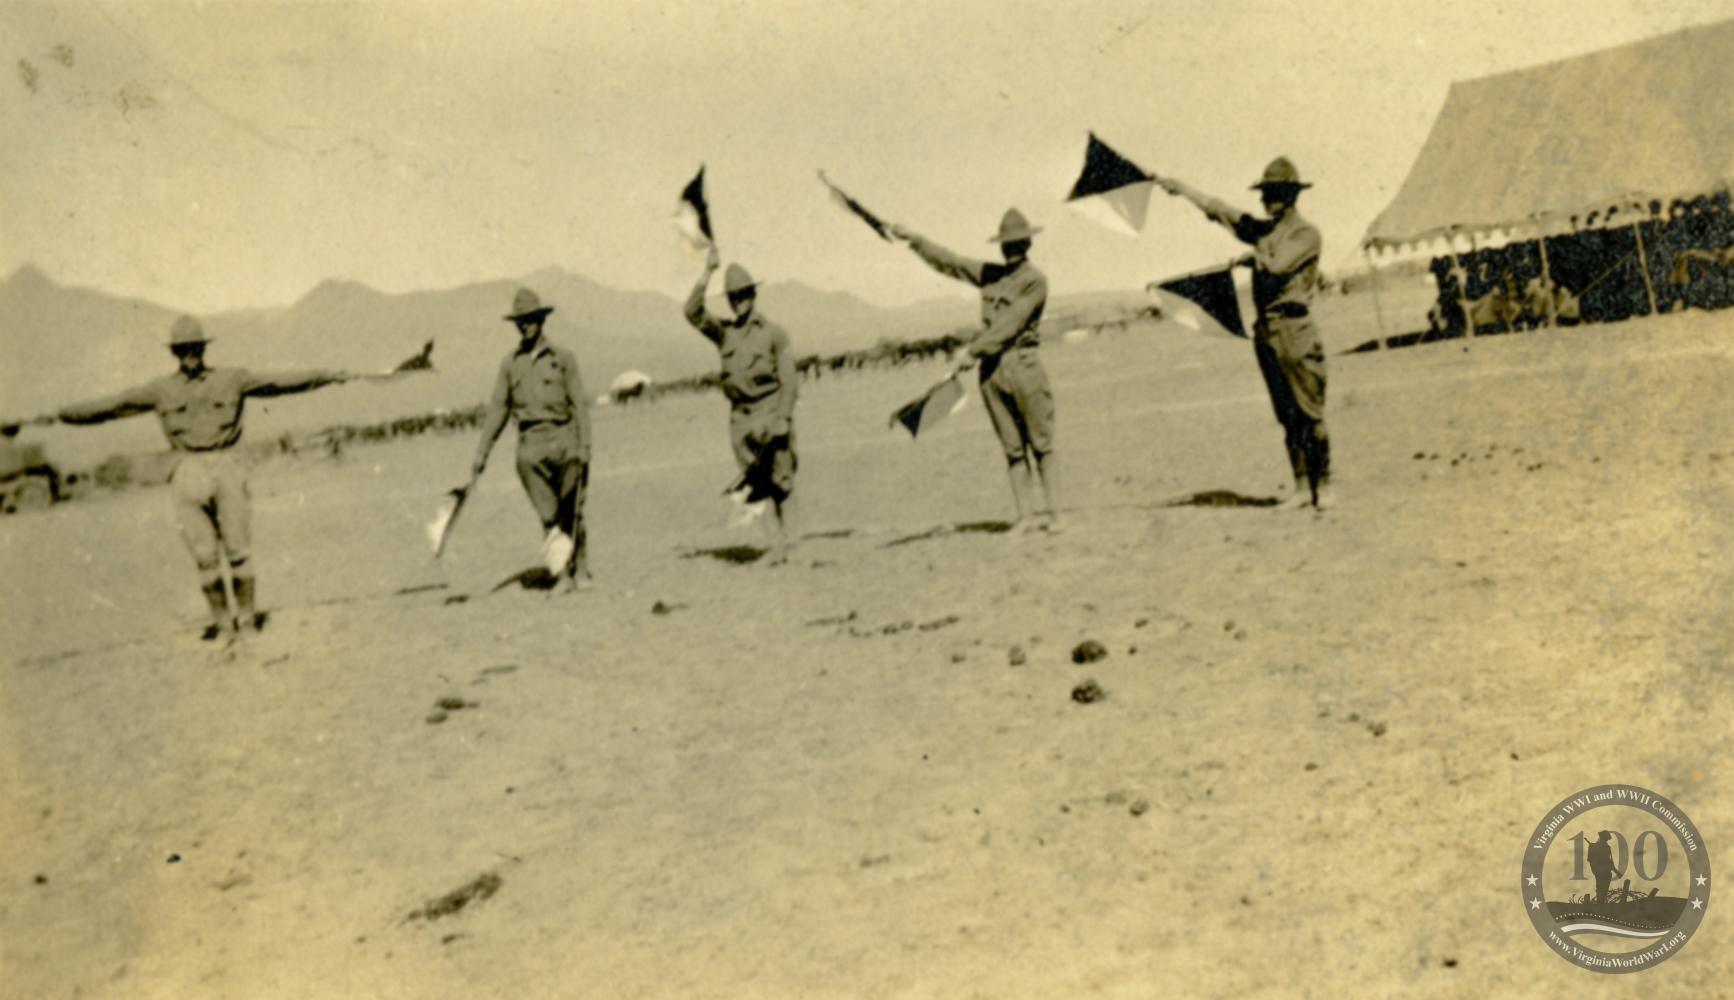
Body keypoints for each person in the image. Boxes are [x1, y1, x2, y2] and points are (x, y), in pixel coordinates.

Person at [15, 315, 354, 641]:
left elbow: (281, 382)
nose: (190, 354)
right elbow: (113, 405)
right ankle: (224, 628)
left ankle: (247, 623)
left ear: (204, 348)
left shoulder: (231, 379)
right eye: (182, 349)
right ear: (174, 353)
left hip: (227, 469)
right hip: (186, 473)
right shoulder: (161, 390)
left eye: (194, 347)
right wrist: (59, 416)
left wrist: (329, 375)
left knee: (238, 552)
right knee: (205, 558)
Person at [1160, 157, 1334, 510]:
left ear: (1287, 196)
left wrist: (1250, 257)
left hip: (1296, 330)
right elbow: (1220, 211)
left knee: (1310, 415)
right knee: (1286, 416)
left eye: (1269, 193)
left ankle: (1326, 484)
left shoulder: (1306, 234)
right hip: (1267, 334)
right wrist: (1183, 189)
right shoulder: (1262, 231)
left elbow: (1276, 264)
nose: (1262, 200)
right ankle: (1302, 488)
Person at [887, 208, 1060, 533]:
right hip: (992, 374)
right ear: (1001, 248)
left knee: (1041, 444)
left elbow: (1011, 323)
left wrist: (974, 351)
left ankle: (1054, 516)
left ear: (1028, 245)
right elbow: (950, 262)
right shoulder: (990, 274)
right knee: (1012, 448)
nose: (1012, 249)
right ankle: (1025, 517)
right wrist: (915, 240)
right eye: (1007, 244)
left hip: (1023, 366)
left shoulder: (1035, 281)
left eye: (1017, 243)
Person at [469, 288, 594, 591]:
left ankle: (582, 568)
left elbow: (579, 404)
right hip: (531, 451)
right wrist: (482, 453)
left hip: (565, 442)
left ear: (541, 319)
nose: (525, 325)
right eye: (520, 321)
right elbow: (498, 408)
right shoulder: (509, 364)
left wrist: (584, 446)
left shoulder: (564, 358)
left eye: (530, 319)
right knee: (548, 515)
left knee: (572, 510)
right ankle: (562, 575)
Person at [684, 248, 800, 564]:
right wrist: (707, 272)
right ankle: (776, 546)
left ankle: (793, 544)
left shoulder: (774, 334)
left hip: (770, 412)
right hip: (740, 419)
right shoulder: (724, 333)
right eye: (732, 297)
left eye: (743, 294)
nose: (738, 301)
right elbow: (692, 312)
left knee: (783, 481)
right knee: (756, 485)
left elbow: (789, 381)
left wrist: (783, 418)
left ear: (753, 294)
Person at [1587, 830, 1616, 904]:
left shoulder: (1607, 847)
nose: (1605, 839)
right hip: (1599, 871)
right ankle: (1600, 903)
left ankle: (1601, 903)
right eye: (1604, 837)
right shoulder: (1593, 847)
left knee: (1605, 889)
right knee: (1600, 888)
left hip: (1607, 871)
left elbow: (1609, 859)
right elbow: (1590, 859)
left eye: (1606, 838)